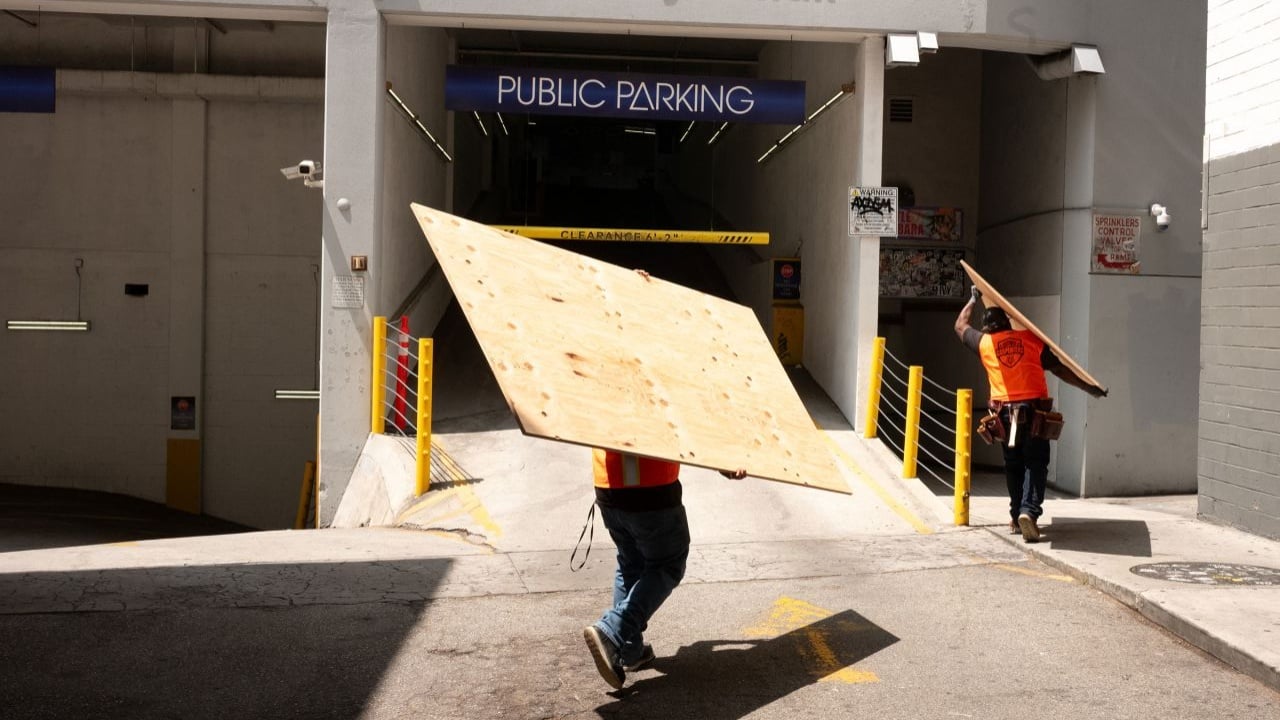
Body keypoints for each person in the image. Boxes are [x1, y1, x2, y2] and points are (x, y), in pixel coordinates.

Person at [583, 448, 746, 689]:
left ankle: (629, 650)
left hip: (608, 487)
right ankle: (612, 631)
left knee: (631, 563)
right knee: (668, 564)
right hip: (650, 488)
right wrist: (722, 459)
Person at [954, 288, 1105, 543]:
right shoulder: (1032, 341)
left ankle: (1015, 516)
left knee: (1013, 465)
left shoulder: (984, 344)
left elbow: (960, 325)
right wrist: (1089, 388)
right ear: (1008, 322)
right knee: (1035, 464)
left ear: (987, 328)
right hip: (1034, 413)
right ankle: (1029, 513)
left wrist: (973, 298)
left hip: (1002, 416)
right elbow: (1061, 369)